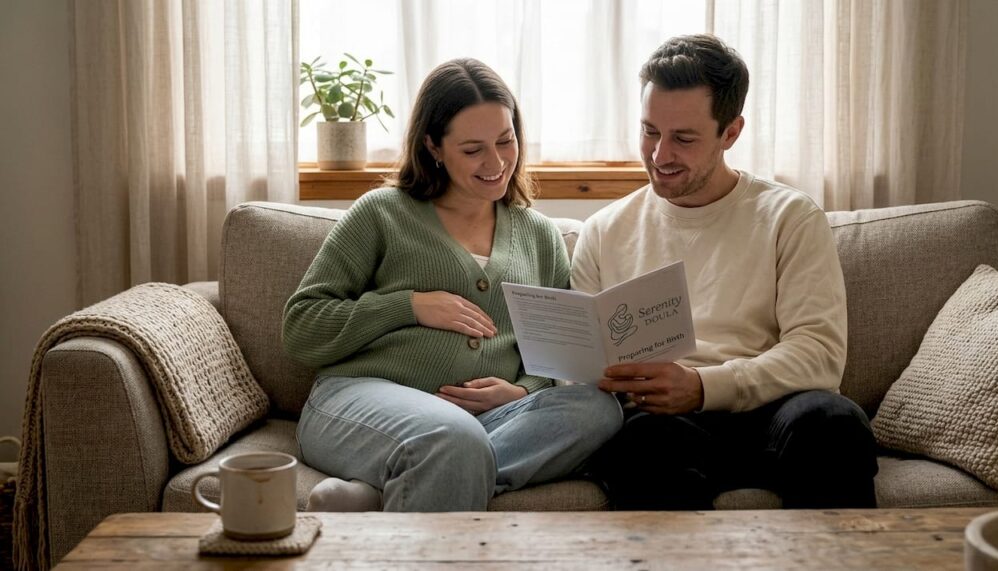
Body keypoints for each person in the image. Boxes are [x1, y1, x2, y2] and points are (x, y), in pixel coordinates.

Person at [283, 58, 622, 512]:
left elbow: (557, 351)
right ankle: (430, 464)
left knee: (597, 410)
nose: (496, 162)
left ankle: (394, 487)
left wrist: (524, 390)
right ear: (433, 146)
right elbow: (302, 327)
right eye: (472, 149)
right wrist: (408, 305)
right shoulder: (382, 213)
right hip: (359, 397)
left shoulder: (540, 236)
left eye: (506, 141)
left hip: (489, 419)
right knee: (451, 436)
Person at [572, 34, 878, 510]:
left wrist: (701, 387)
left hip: (770, 411)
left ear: (731, 132)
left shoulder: (789, 217)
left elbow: (819, 355)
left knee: (832, 420)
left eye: (684, 138)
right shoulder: (605, 231)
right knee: (641, 444)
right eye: (650, 131)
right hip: (664, 428)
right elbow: (582, 370)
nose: (659, 155)